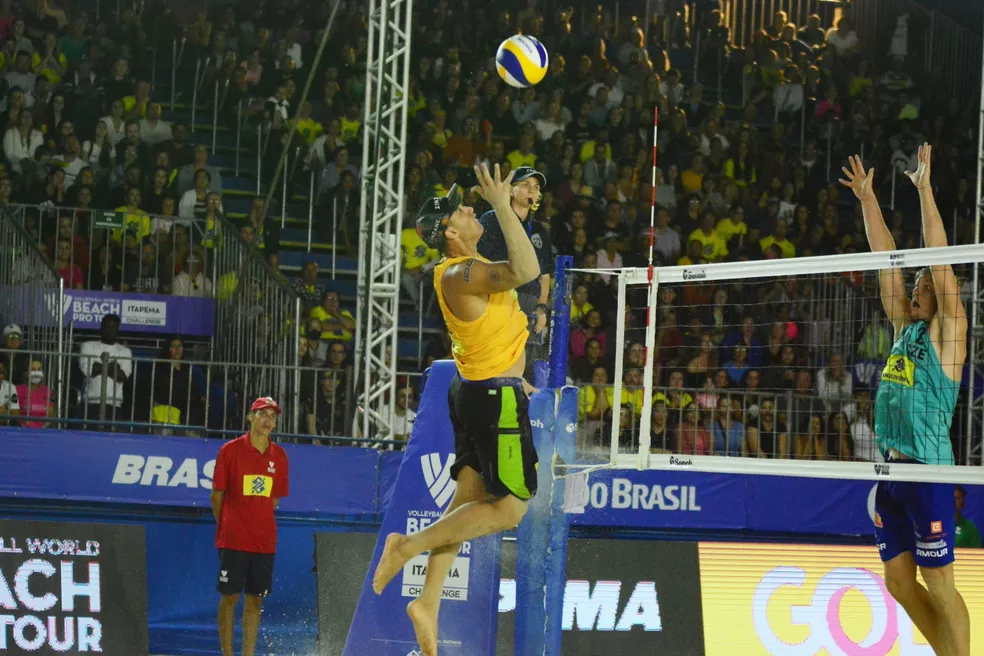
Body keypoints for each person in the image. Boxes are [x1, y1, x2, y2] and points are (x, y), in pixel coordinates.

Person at [371, 163, 539, 656]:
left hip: (480, 389)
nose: (470, 207)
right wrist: (507, 208)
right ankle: (405, 546)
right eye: (461, 209)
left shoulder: (466, 267)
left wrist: (517, 201)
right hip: (492, 398)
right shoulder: (462, 274)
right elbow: (526, 271)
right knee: (511, 509)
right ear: (449, 232)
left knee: (463, 504)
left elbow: (513, 272)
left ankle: (427, 603)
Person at [840, 148, 970, 655]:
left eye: (923, 284)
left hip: (929, 473)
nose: (915, 286)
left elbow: (938, 259)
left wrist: (924, 189)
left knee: (941, 587)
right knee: (898, 581)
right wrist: (869, 200)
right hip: (890, 472)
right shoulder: (903, 328)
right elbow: (884, 260)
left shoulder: (949, 333)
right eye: (913, 284)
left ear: (940, 295)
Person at [210, 397, 290, 656]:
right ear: (250, 417)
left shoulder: (279, 456)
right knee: (230, 598)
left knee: (256, 600)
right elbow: (217, 496)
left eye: (272, 416)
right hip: (233, 539)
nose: (268, 420)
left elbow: (273, 500)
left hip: (264, 541)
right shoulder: (230, 450)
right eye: (262, 414)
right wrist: (229, 524)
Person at [476, 165, 552, 366]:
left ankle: (523, 397)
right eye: (526, 185)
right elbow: (481, 263)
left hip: (528, 303)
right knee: (497, 360)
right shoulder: (491, 220)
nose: (532, 190)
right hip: (499, 299)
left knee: (526, 363)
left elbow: (545, 274)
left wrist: (541, 308)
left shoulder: (538, 229)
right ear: (510, 190)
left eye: (536, 187)